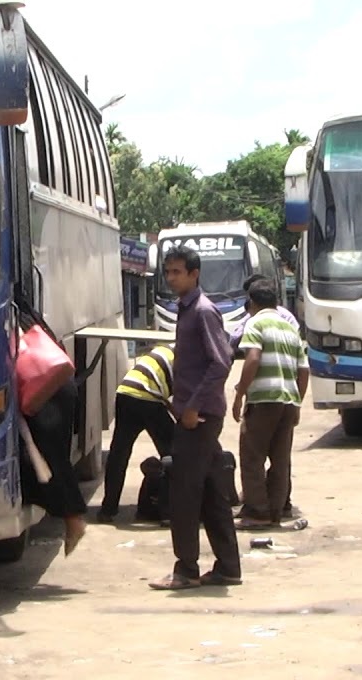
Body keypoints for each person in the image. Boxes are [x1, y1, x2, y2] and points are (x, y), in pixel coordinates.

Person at [149, 245, 242, 590]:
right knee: (213, 493)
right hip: (196, 414)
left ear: (194, 274)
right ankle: (228, 567)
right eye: (168, 272)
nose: (171, 278)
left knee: (184, 494)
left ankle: (186, 570)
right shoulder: (185, 309)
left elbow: (221, 362)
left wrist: (192, 407)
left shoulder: (202, 311)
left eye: (177, 272)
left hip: (198, 418)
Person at [231, 279, 309, 530]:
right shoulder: (290, 330)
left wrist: (240, 395)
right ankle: (275, 511)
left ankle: (257, 512)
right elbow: (304, 370)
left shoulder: (255, 323)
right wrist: (297, 403)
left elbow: (252, 358)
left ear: (252, 303)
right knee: (280, 459)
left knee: (252, 457)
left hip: (264, 399)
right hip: (288, 401)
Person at [96, 344, 175, 523]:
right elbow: (181, 400)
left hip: (125, 394)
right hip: (148, 400)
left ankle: (108, 509)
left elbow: (164, 394)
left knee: (118, 455)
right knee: (172, 454)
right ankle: (168, 512)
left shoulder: (165, 351)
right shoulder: (188, 359)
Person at [20, 376, 88, 556]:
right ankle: (72, 518)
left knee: (51, 459)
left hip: (46, 394)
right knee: (50, 458)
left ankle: (73, 519)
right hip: (49, 389)